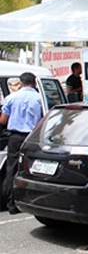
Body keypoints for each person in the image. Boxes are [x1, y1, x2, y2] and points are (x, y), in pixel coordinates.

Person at [0, 72, 43, 214]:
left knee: (11, 169)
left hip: (15, 137)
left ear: (21, 82)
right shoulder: (38, 98)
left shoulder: (11, 98)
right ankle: (31, 200)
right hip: (32, 137)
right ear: (35, 83)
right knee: (32, 168)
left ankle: (11, 204)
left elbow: (3, 121)